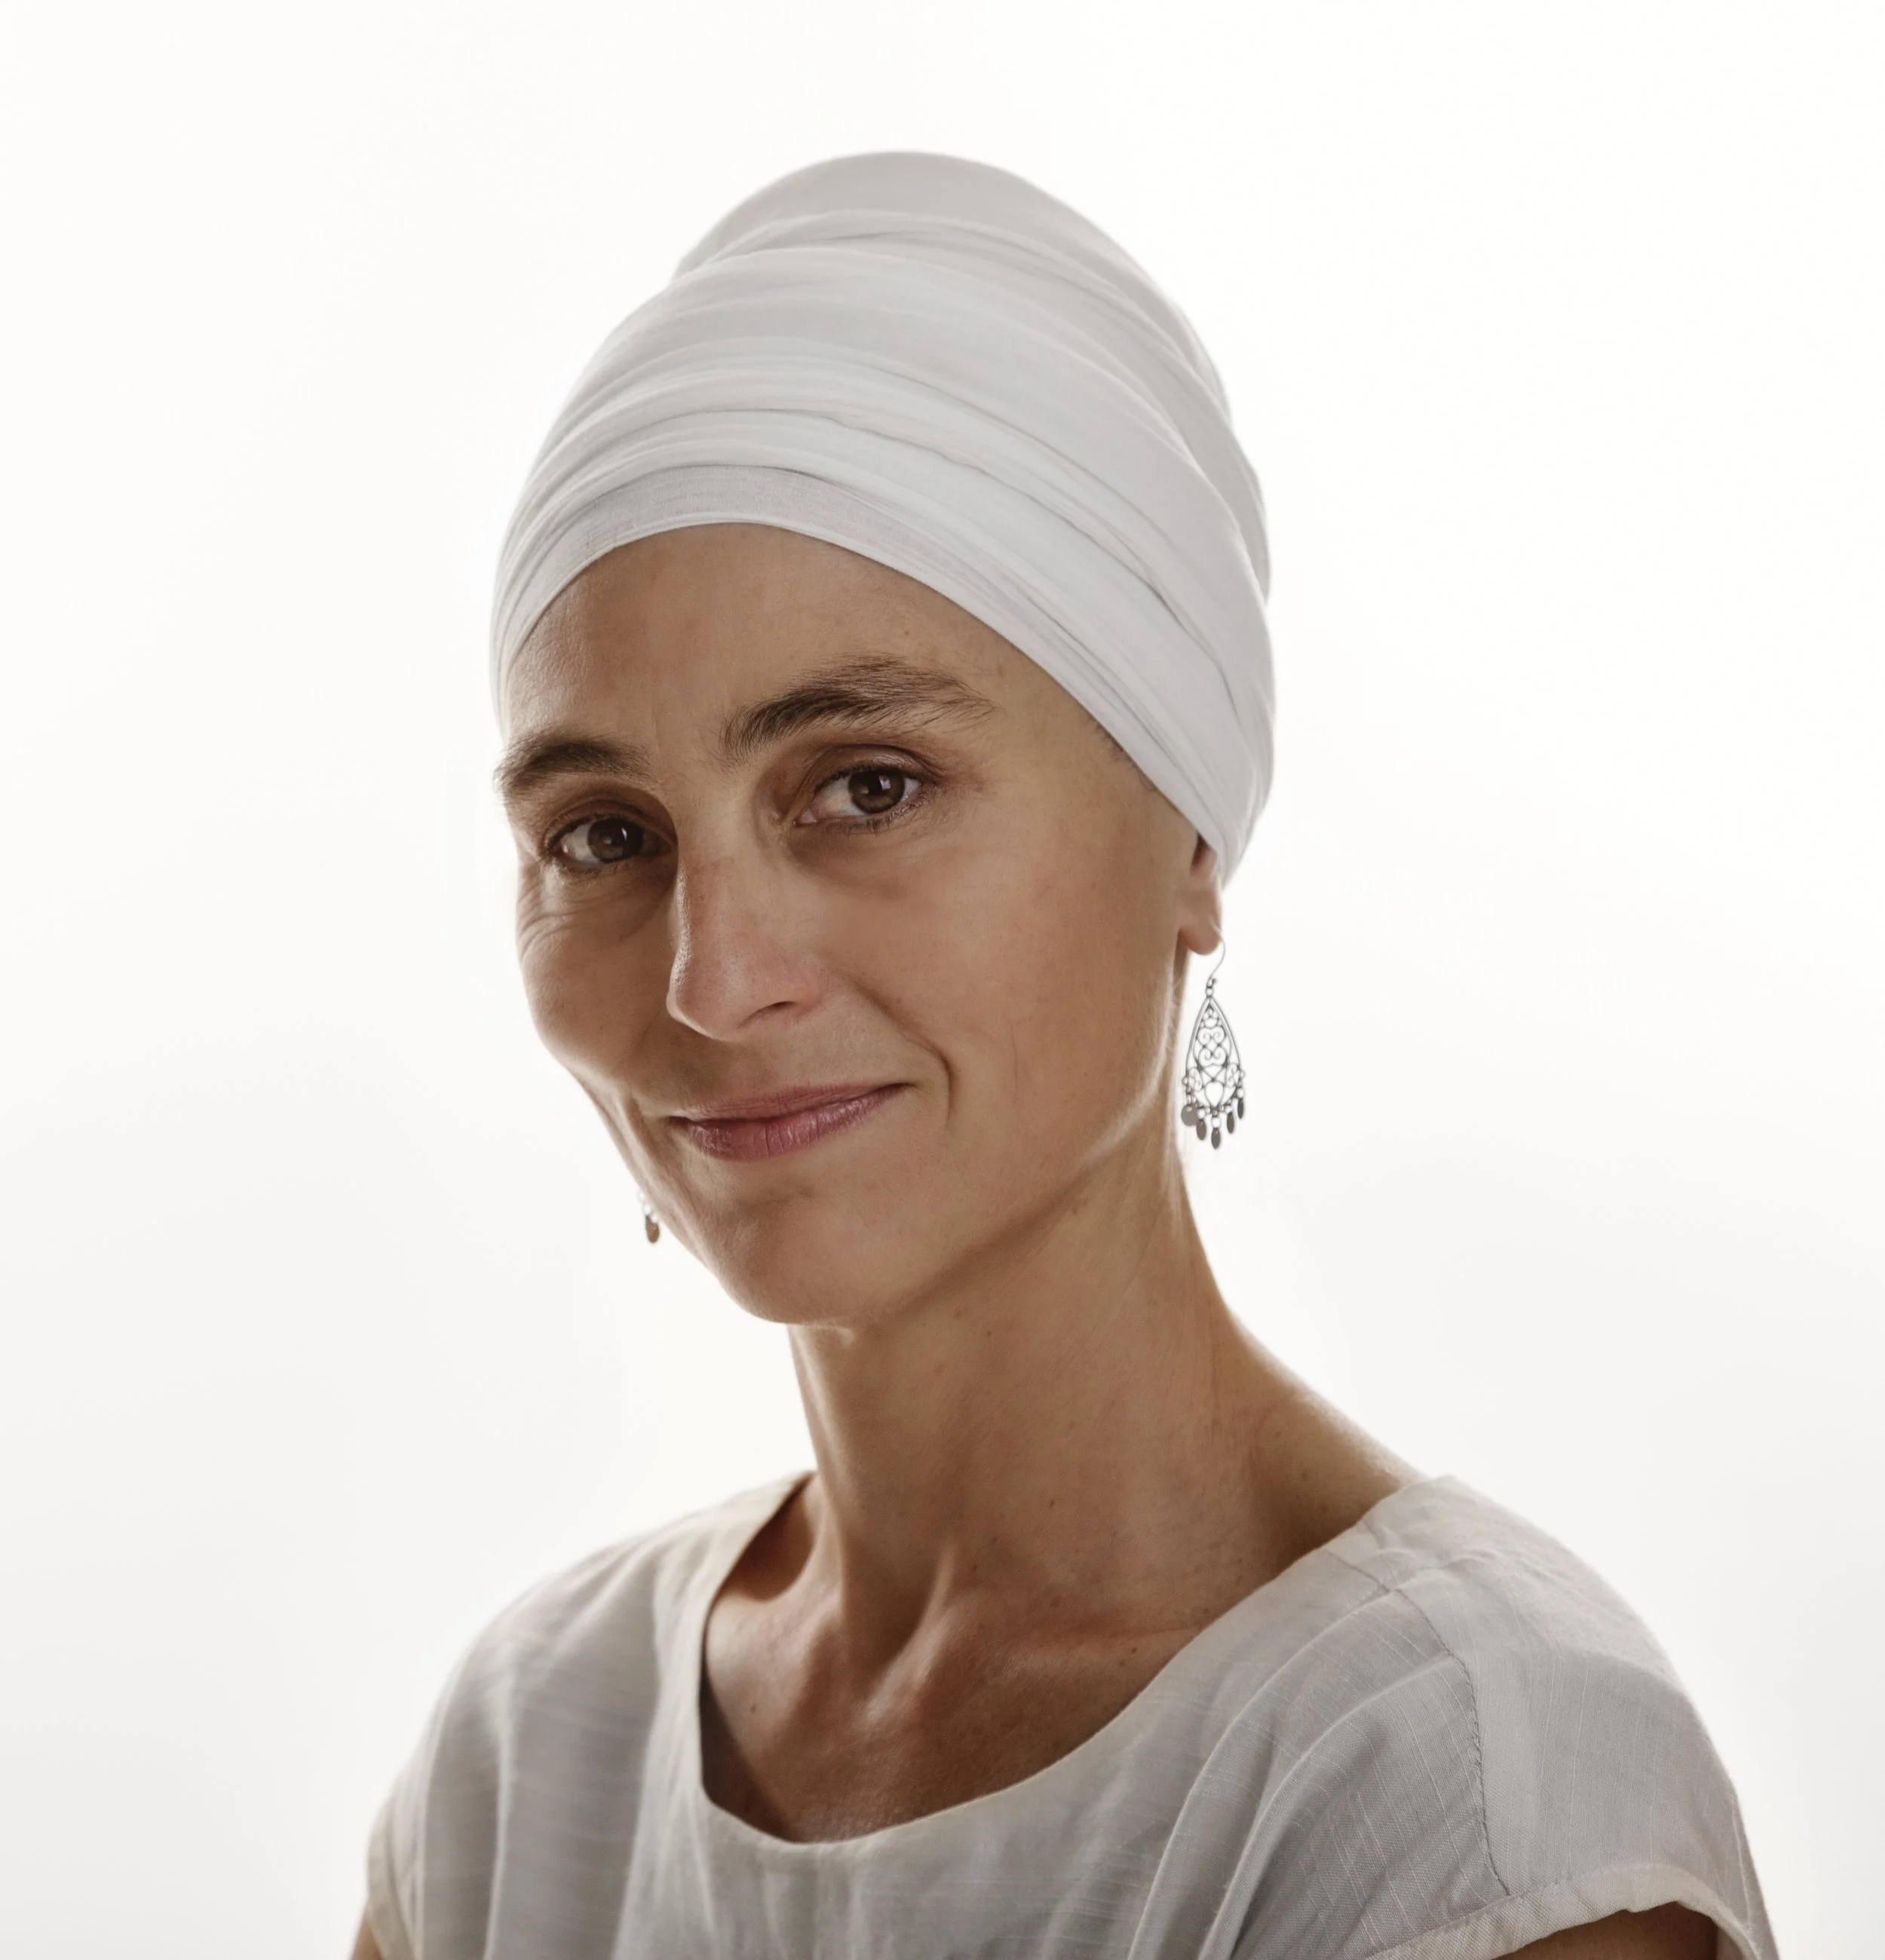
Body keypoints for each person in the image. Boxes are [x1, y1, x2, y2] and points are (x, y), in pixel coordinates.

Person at [353, 154, 1774, 1960]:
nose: (710, 981)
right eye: (604, 835)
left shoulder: (1458, 1795)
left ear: (1183, 835)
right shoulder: (523, 1758)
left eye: (867, 786)